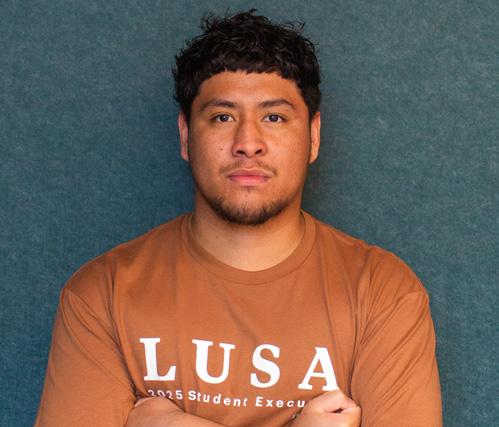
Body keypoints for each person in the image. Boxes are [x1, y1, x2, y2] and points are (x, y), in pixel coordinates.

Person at [35, 10, 442, 427]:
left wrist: (173, 423)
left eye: (274, 117)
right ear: (186, 136)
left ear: (313, 136)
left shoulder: (383, 294)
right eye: (223, 117)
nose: (248, 143)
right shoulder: (102, 295)